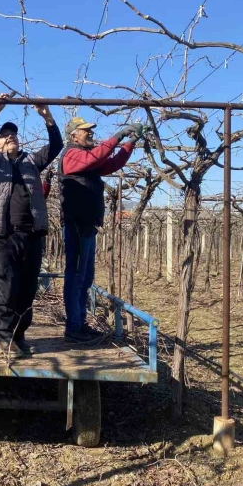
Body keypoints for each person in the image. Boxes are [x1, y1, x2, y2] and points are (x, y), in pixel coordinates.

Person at [0, 93, 63, 358]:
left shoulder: (31, 162)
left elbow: (56, 145)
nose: (10, 136)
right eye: (4, 135)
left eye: (13, 134)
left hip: (31, 234)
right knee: (6, 286)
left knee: (27, 288)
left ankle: (19, 336)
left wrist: (46, 115)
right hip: (1, 235)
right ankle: (4, 339)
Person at [59, 117, 143, 342]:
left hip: (87, 225)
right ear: (74, 134)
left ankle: (80, 323)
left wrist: (129, 144)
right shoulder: (71, 154)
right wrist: (119, 136)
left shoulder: (87, 158)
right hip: (76, 224)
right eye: (85, 131)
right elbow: (96, 156)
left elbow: (111, 164)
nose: (90, 134)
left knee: (85, 278)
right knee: (76, 277)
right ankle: (73, 328)